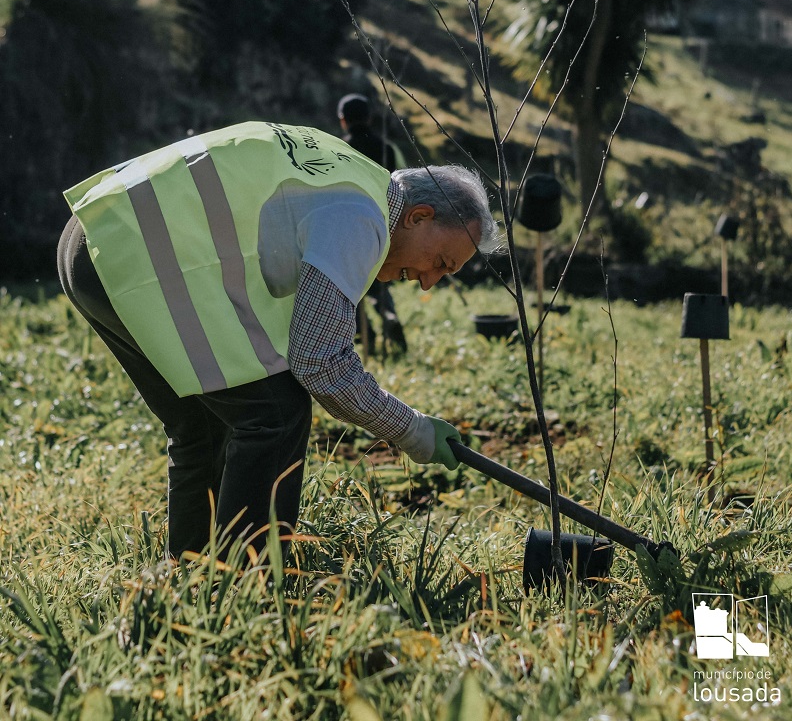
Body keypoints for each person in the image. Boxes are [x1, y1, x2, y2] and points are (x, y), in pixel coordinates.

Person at [57, 120, 499, 561]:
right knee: (277, 413)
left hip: (93, 238)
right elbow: (320, 364)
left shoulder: (351, 174)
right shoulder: (362, 218)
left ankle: (192, 576)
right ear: (419, 216)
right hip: (135, 254)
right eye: (441, 262)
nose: (428, 283)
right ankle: (250, 584)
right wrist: (413, 430)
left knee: (204, 425)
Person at [337, 93, 406, 353]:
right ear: (370, 117)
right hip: (382, 228)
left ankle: (366, 335)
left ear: (343, 120)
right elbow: (402, 187)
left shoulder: (339, 149)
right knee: (380, 280)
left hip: (349, 229)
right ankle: (390, 315)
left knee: (353, 289)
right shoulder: (388, 148)